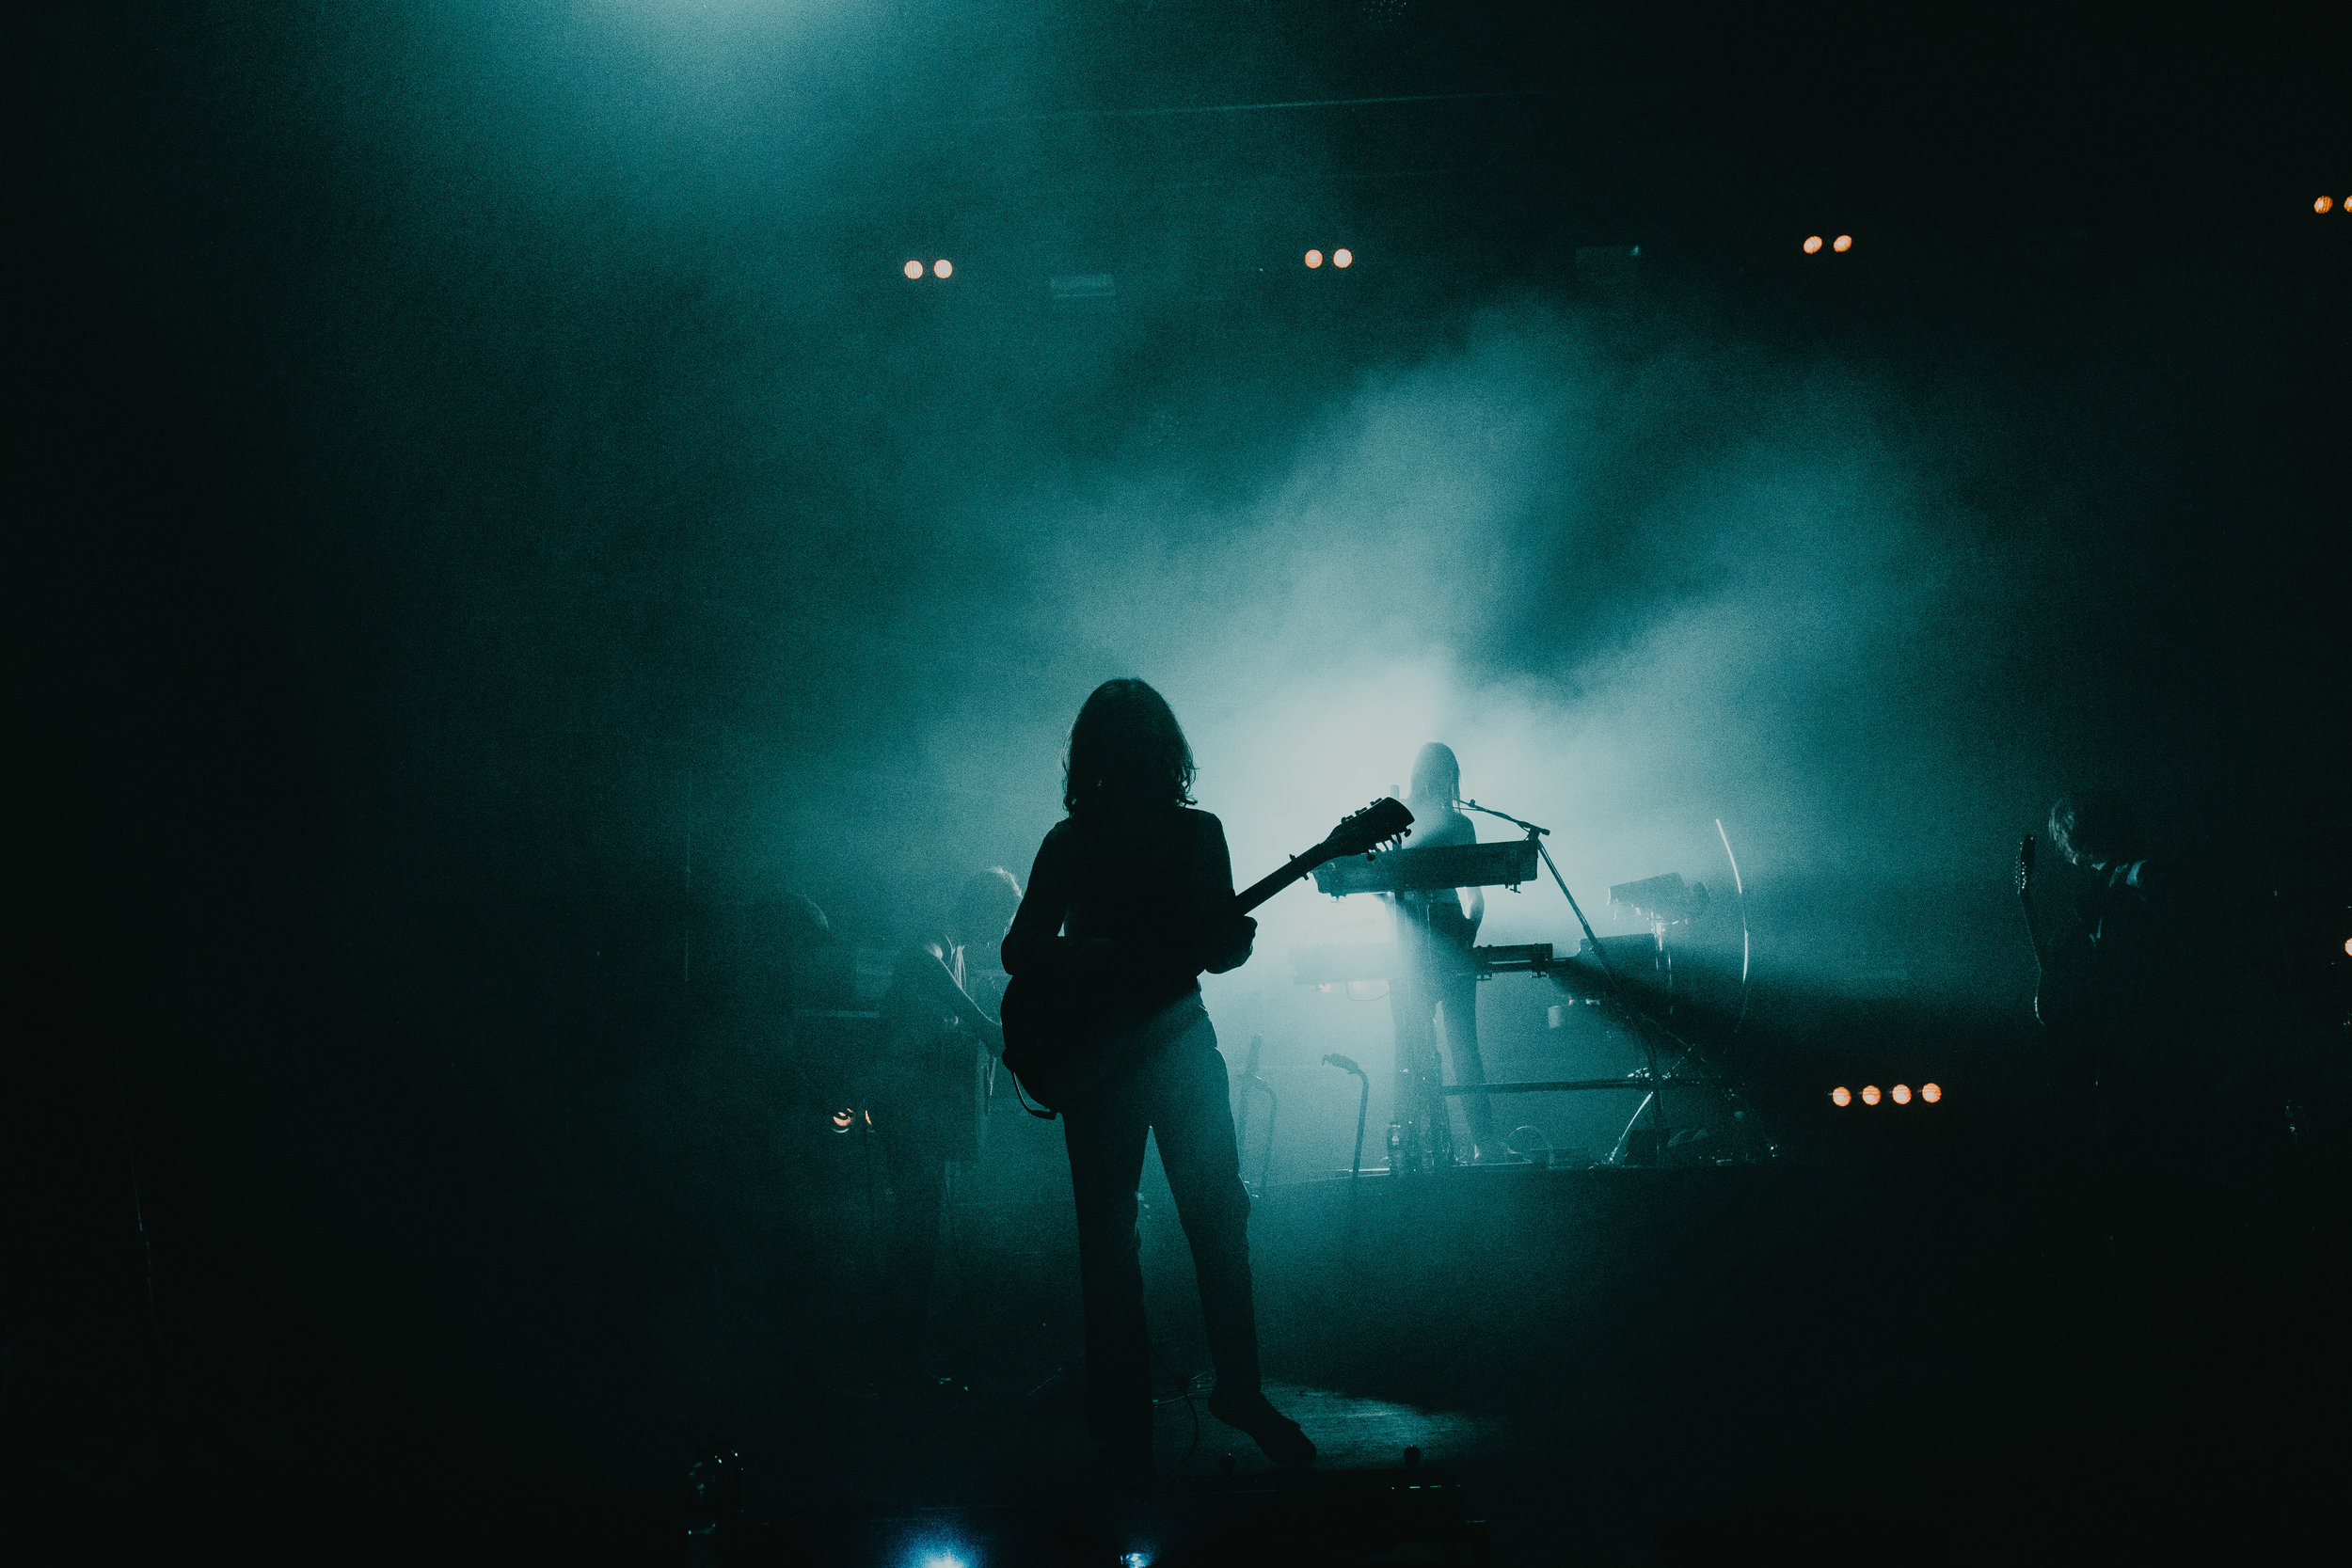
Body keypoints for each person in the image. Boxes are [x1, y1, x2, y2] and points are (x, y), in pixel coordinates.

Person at [1001, 678, 1315, 1484]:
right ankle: (1227, 1394)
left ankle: (1140, 1423)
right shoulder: (1101, 840)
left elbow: (1203, 949)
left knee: (1132, 1237)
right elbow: (1022, 946)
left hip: (1155, 1045)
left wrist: (1228, 943)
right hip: (1165, 1045)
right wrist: (1111, 957)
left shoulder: (1090, 839)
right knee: (1210, 1221)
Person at [869, 868, 1025, 1371]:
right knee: (917, 1223)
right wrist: (982, 1025)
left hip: (918, 1104)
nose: (1000, 931)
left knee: (921, 1222)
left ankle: (903, 1348)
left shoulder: (955, 948)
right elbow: (919, 963)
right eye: (999, 917)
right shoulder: (935, 935)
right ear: (980, 907)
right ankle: (898, 1355)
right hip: (903, 1102)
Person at [1388, 742, 1501, 1164]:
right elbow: (1477, 900)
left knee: (1411, 1043)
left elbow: (1385, 891)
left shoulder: (1399, 818)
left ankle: (1406, 1143)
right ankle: (1482, 1142)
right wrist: (1466, 935)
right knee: (1460, 1041)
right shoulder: (1457, 824)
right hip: (1442, 930)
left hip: (1415, 933)